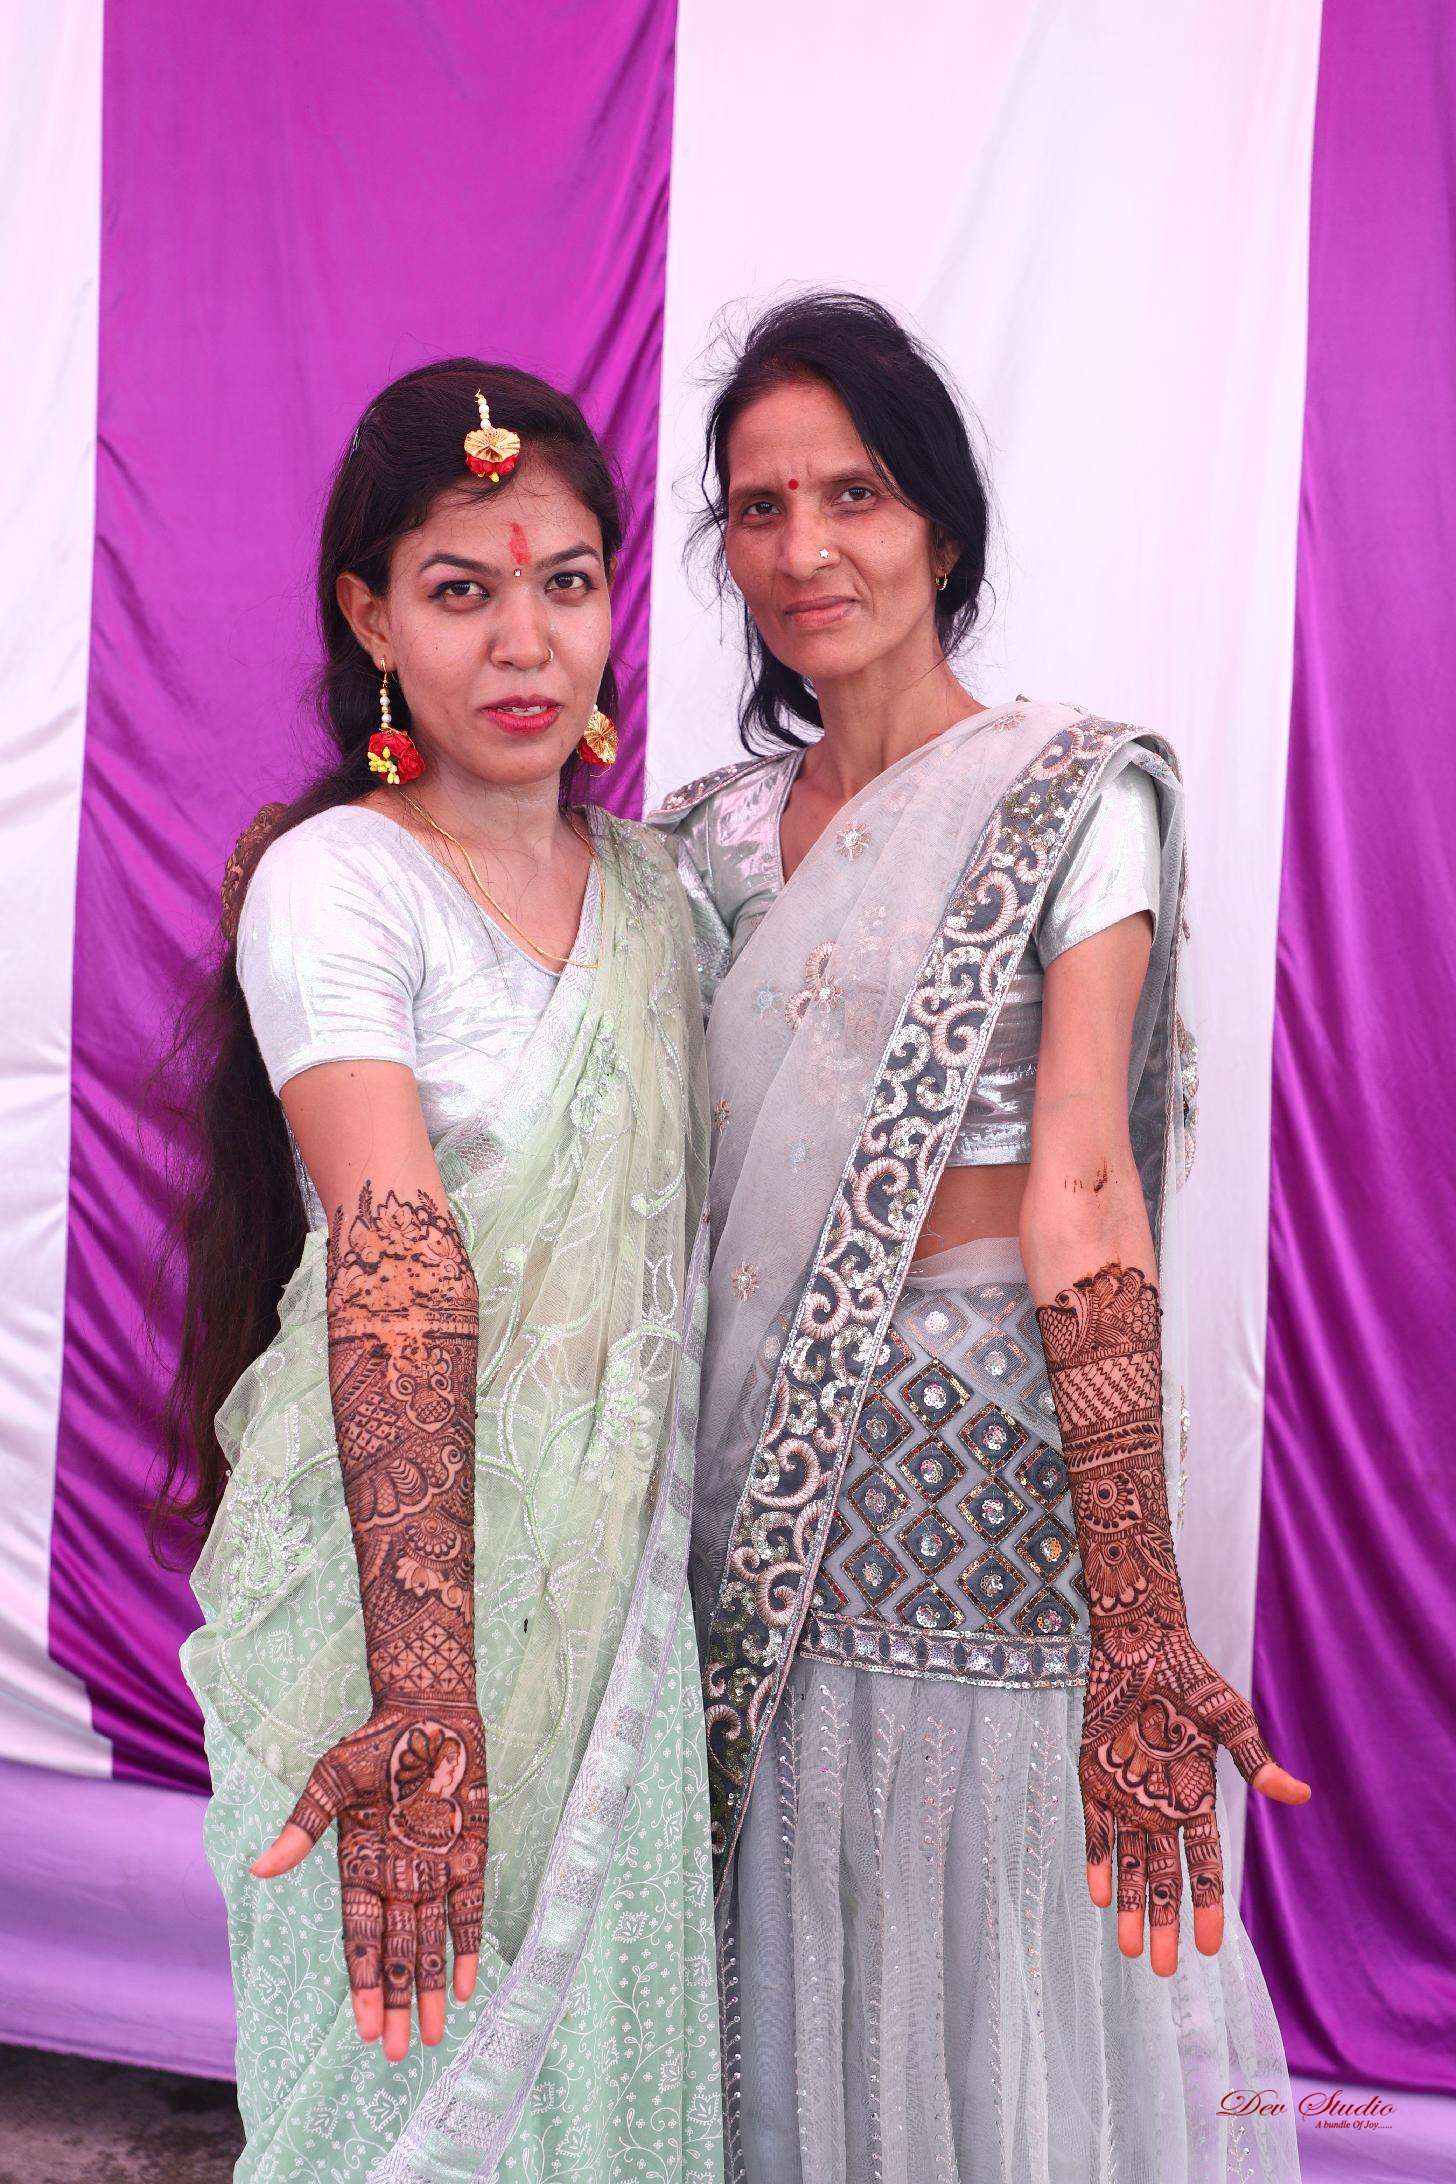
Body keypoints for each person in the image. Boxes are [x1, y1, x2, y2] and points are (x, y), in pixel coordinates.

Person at [649, 293, 1311, 2183]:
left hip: (998, 1479)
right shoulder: (700, 845)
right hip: (751, 1499)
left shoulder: (1070, 796)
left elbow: (1083, 1181)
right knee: (792, 1920)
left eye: (852, 494)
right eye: (760, 507)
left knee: (990, 1936)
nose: (806, 548)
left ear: (941, 526)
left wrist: (1141, 1615)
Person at [165, 360, 723, 2179]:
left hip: (613, 1627)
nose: (524, 642)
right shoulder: (343, 880)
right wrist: (425, 1701)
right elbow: (395, 1251)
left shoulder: (667, 904)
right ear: (371, 618)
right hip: (383, 1626)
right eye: (462, 590)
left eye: (567, 582)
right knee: (391, 2116)